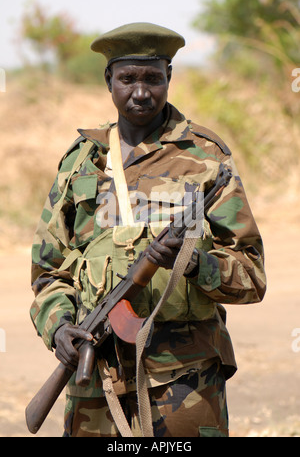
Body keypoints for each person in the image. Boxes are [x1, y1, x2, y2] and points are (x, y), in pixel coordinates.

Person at [30, 22, 266, 437]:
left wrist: (193, 264)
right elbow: (49, 270)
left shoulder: (205, 159)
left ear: (169, 78)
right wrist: (60, 326)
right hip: (96, 382)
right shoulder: (81, 162)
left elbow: (251, 275)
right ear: (109, 80)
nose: (141, 92)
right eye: (128, 79)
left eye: (153, 78)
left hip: (184, 382)